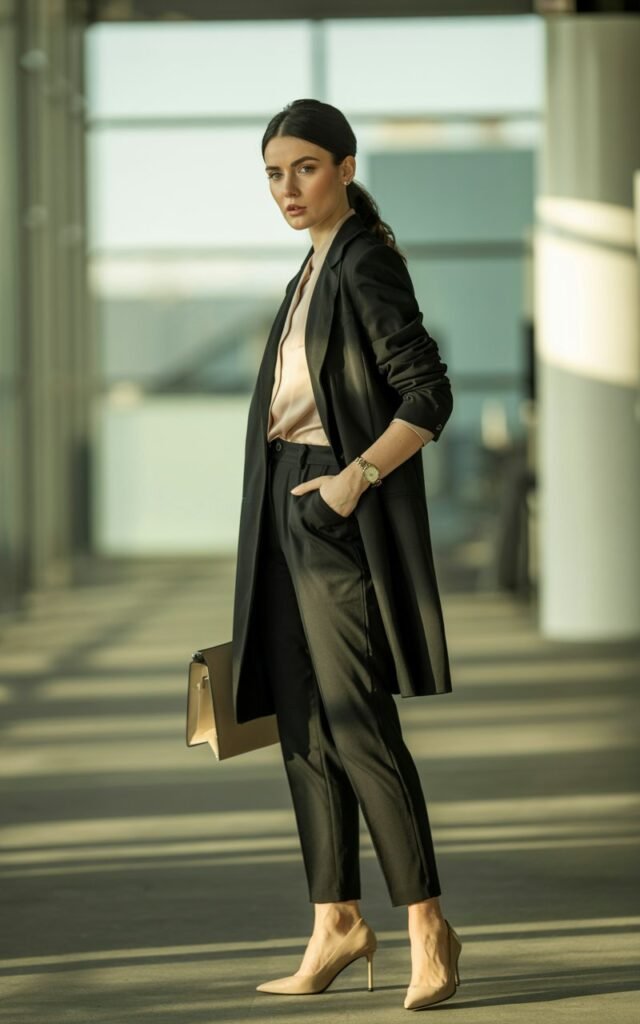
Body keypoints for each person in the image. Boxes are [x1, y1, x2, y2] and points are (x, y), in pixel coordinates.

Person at [232, 98, 462, 1010]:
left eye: (305, 168)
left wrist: (352, 480)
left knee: (358, 723)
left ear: (346, 169)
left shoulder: (363, 260)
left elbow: (427, 394)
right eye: (273, 174)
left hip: (331, 502)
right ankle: (335, 922)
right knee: (304, 725)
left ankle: (428, 928)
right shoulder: (311, 266)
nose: (288, 188)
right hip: (284, 503)